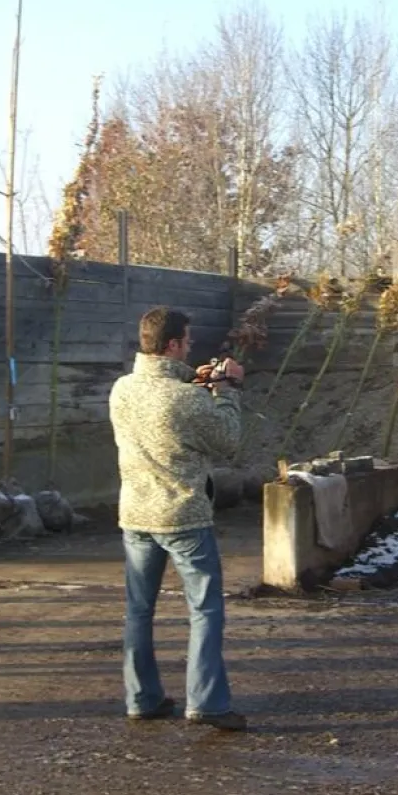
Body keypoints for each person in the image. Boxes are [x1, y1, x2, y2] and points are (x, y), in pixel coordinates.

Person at [109, 307, 247, 731]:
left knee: (139, 611)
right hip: (183, 517)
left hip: (135, 514)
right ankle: (206, 703)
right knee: (205, 610)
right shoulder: (186, 399)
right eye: (186, 342)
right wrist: (227, 388)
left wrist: (195, 379)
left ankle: (142, 697)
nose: (189, 347)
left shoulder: (122, 389)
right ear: (172, 345)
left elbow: (163, 403)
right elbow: (228, 441)